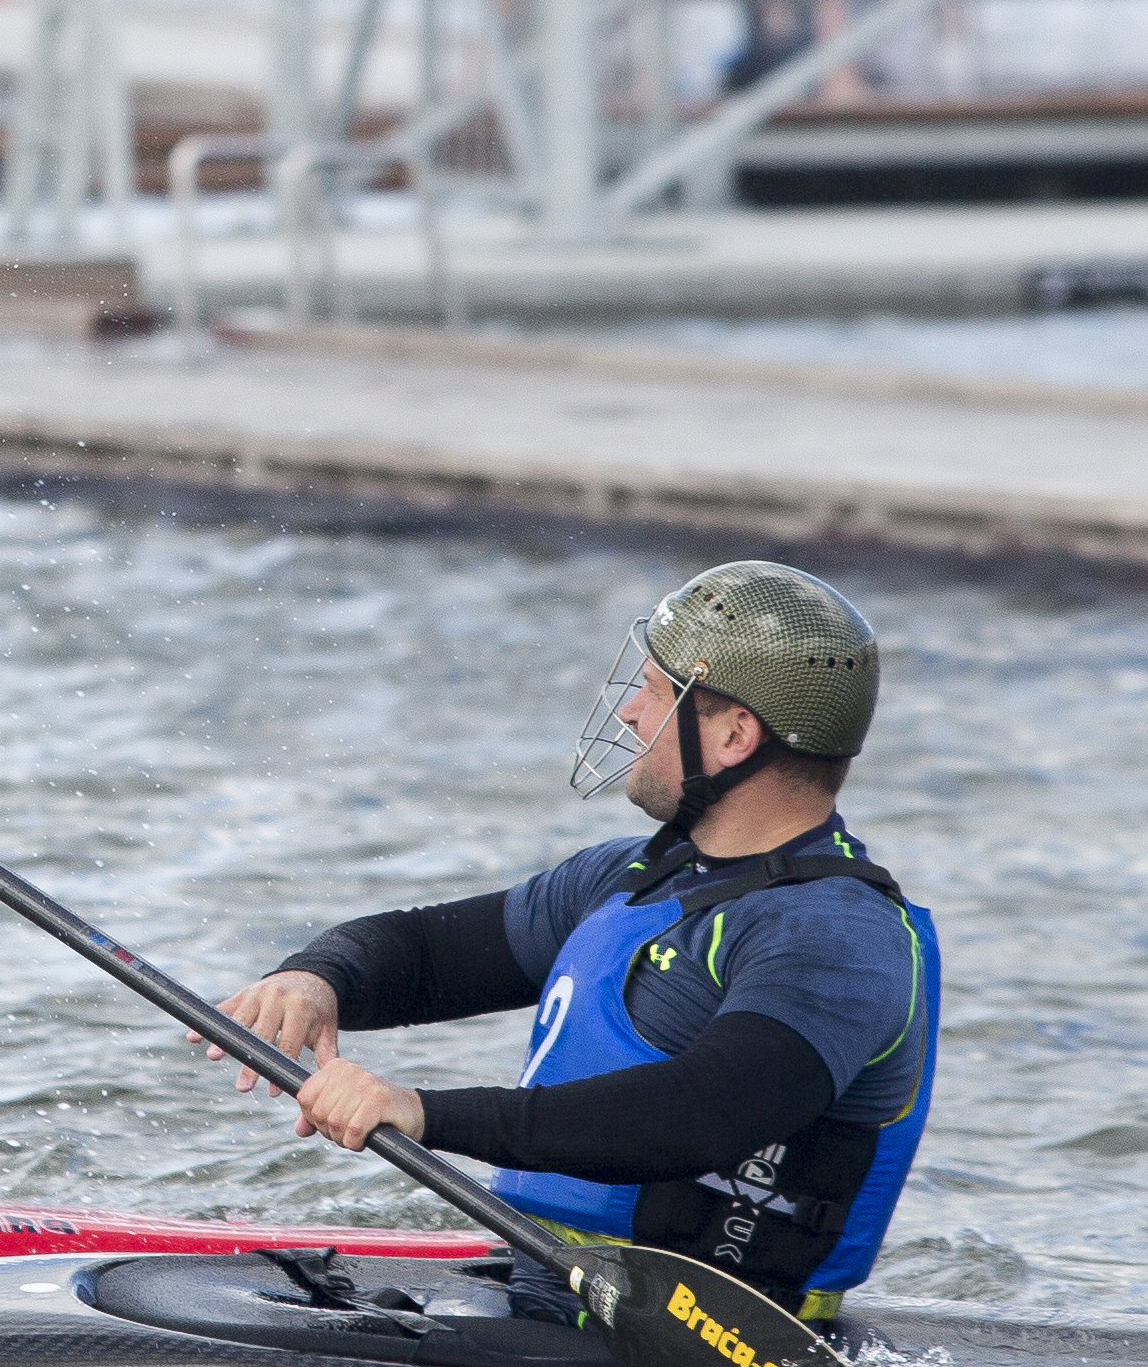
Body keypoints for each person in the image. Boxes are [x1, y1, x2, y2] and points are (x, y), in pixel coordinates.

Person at [216, 563, 940, 1322]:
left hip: (700, 1336)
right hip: (547, 1286)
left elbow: (701, 1115)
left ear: (734, 735)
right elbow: (429, 951)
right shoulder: (634, 876)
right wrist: (315, 978)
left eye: (658, 694)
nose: (630, 712)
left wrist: (419, 1110)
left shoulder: (837, 938)